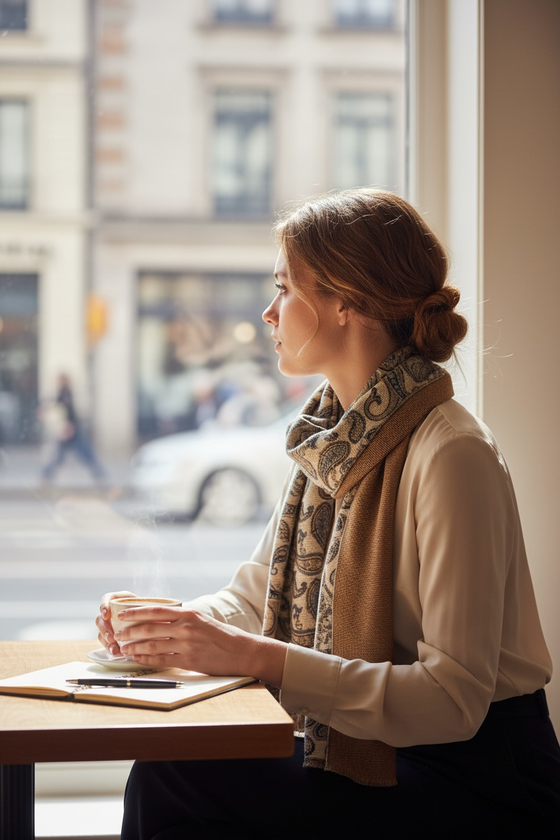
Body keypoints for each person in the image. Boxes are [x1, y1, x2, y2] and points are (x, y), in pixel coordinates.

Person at [96, 189, 560, 839]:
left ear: (344, 303)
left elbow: (453, 702)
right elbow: (253, 598)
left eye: (284, 288)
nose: (268, 311)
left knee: (176, 773)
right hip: (369, 749)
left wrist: (256, 658)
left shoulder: (452, 453)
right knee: (174, 762)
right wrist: (167, 627)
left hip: (478, 782)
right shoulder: (331, 439)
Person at [41, 373, 105, 482]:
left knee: (78, 452)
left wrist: (68, 424)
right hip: (70, 427)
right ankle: (48, 472)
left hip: (70, 428)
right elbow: (59, 406)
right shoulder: (64, 392)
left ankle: (48, 473)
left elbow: (66, 410)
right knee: (68, 452)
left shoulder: (65, 392)